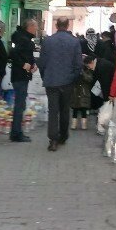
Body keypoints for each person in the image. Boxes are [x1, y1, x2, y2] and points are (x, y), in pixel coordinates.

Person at [38, 18, 83, 152]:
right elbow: (78, 64)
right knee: (64, 110)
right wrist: (73, 78)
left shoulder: (48, 41)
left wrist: (45, 76)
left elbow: (42, 62)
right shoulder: (74, 41)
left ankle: (53, 139)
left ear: (56, 25)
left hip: (51, 81)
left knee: (53, 110)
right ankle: (63, 136)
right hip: (67, 81)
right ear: (68, 25)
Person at [8, 18, 37, 142]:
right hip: (20, 76)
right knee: (20, 105)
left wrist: (33, 63)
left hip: (21, 75)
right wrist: (23, 64)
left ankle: (17, 131)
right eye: (35, 27)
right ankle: (16, 133)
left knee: (21, 104)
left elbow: (26, 56)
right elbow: (13, 53)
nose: (36, 29)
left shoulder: (23, 38)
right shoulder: (23, 39)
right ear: (29, 27)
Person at [70, 62, 95, 130]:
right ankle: (73, 124)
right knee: (75, 109)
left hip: (84, 93)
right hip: (76, 92)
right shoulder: (73, 71)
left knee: (84, 109)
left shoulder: (87, 71)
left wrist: (83, 73)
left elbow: (89, 79)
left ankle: (84, 125)